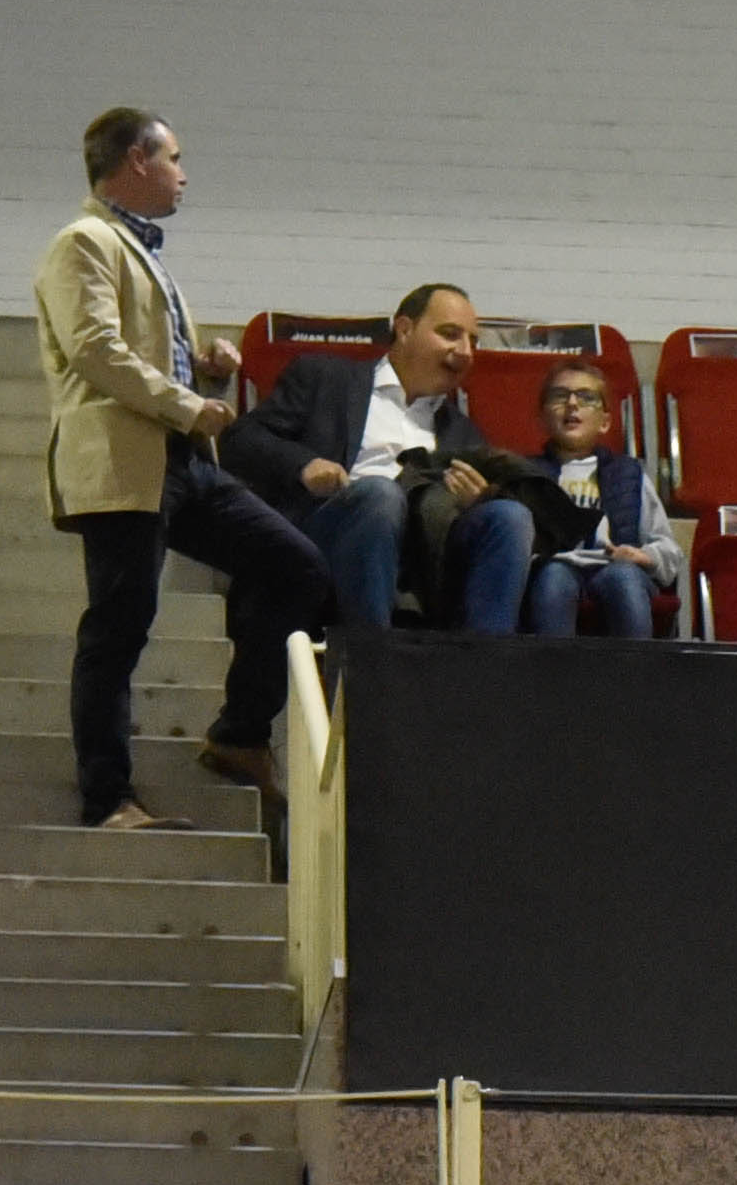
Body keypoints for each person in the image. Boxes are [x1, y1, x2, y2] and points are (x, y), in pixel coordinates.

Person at [32, 108, 316, 830]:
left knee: (295, 565)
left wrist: (207, 367)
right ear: (136, 159)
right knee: (118, 628)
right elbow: (95, 349)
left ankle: (239, 733)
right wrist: (190, 404)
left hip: (178, 459)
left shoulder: (138, 249)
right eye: (175, 158)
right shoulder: (84, 242)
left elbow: (141, 355)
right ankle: (107, 799)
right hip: (126, 462)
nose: (184, 173)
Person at [228, 280, 524, 637]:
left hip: (421, 560)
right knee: (380, 494)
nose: (465, 352)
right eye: (450, 334)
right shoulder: (325, 378)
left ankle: (490, 670)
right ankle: (373, 659)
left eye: (472, 342)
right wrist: (304, 465)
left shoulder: (462, 433)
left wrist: (477, 502)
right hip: (327, 537)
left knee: (509, 516)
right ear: (404, 329)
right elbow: (241, 440)